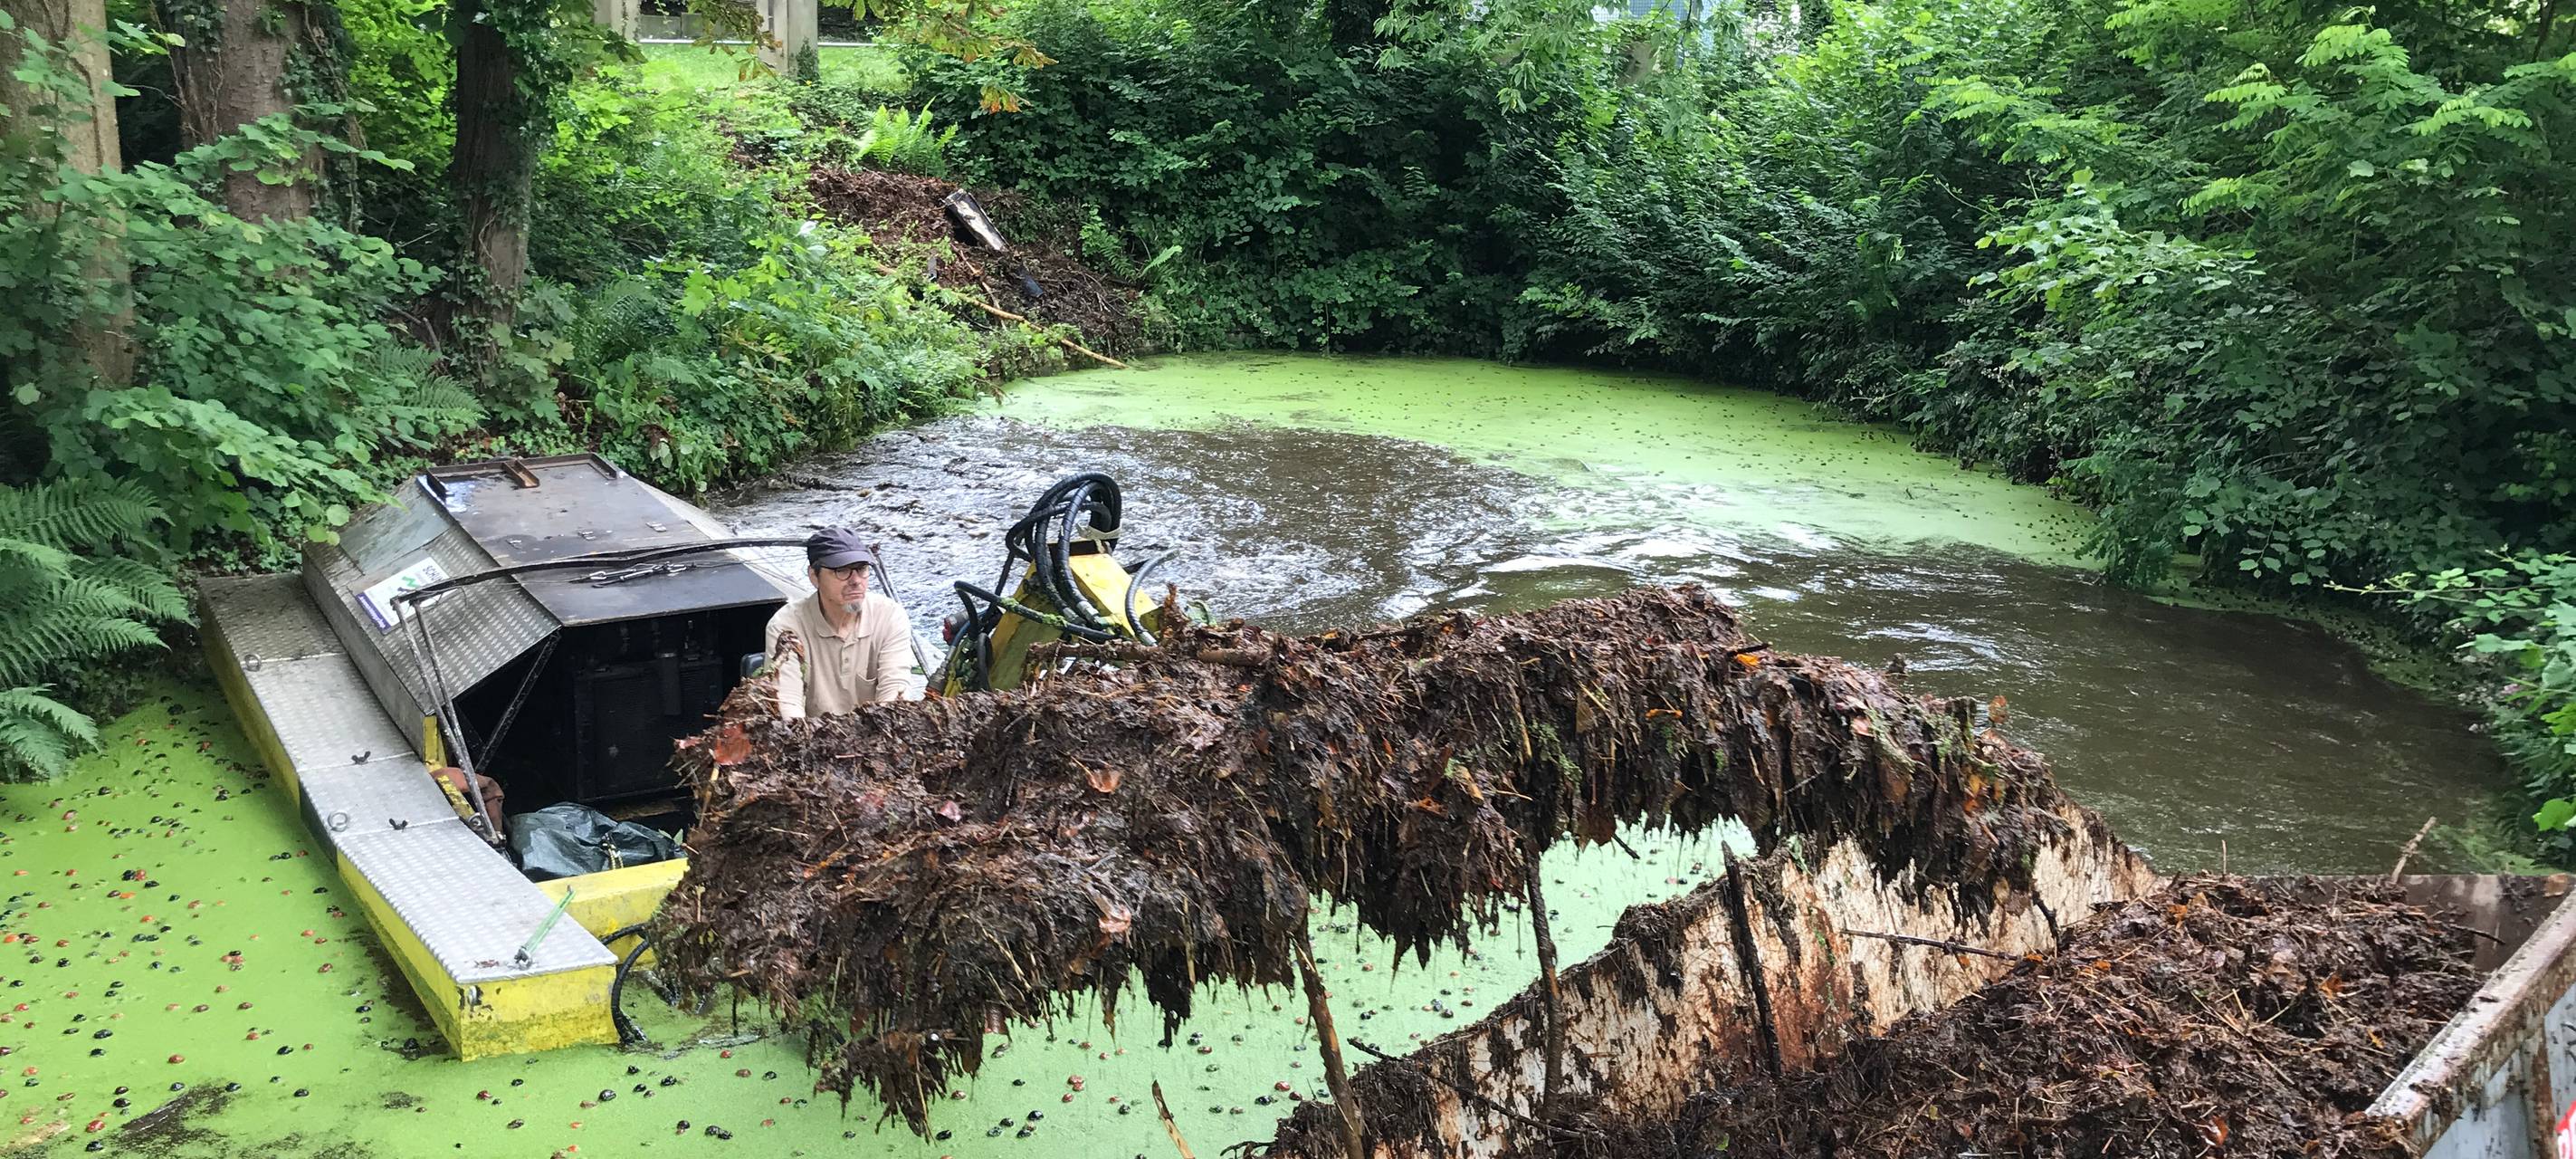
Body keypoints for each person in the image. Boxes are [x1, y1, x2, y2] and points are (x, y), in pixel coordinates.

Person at [766, 528, 917, 718]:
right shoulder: (787, 627)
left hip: (877, 735)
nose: (856, 581)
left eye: (862, 569)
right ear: (814, 576)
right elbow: (788, 708)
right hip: (812, 740)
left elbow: (895, 695)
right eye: (842, 570)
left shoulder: (889, 616)